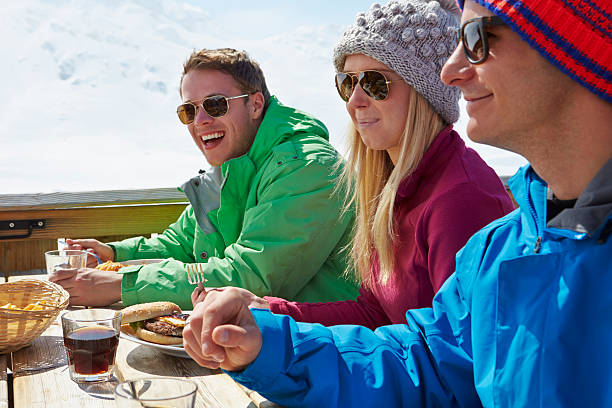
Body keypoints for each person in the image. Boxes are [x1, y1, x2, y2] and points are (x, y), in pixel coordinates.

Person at [182, 0, 612, 406]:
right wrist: (268, 332)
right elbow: (427, 357)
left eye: (478, 39)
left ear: (573, 46)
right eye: (347, 83)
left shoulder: (465, 201)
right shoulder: (506, 244)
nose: (452, 69)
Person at [192, 0, 513, 331]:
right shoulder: (388, 189)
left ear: (425, 92)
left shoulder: (460, 199)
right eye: (347, 82)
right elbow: (377, 314)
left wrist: (283, 345)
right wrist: (268, 311)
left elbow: (453, 358)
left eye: (375, 82)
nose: (355, 100)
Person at [50, 48, 359, 309]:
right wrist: (116, 254)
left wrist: (121, 285)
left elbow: (252, 277)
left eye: (215, 104)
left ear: (255, 105)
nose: (200, 121)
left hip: (324, 349)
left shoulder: (307, 167)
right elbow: (182, 244)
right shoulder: (227, 168)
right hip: (254, 336)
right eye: (189, 110)